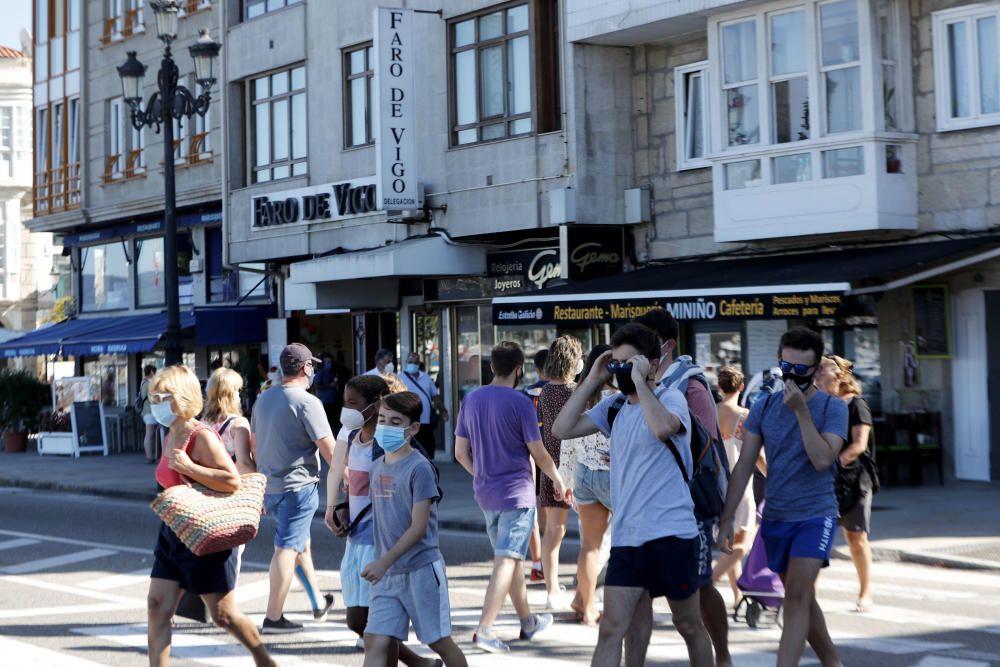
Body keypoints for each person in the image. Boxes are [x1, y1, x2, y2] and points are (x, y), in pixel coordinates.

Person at [552, 323, 713, 667]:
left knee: (688, 624)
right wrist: (593, 380)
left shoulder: (671, 399)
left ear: (652, 364)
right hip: (627, 537)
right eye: (618, 364)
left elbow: (662, 428)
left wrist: (642, 381)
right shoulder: (615, 408)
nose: (622, 371)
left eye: (630, 363)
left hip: (671, 534)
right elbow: (561, 429)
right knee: (615, 629)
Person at [717, 327, 848, 667]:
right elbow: (744, 465)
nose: (790, 375)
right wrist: (727, 516)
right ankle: (833, 663)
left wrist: (802, 413)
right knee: (799, 598)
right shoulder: (763, 407)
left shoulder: (834, 409)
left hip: (815, 514)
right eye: (784, 367)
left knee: (797, 598)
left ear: (816, 369)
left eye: (800, 370)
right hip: (776, 515)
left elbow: (822, 459)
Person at [145, 365, 276, 667]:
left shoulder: (200, 435)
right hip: (174, 530)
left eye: (162, 397)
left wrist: (190, 468)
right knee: (156, 606)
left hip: (205, 535)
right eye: (153, 398)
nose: (156, 404)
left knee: (223, 615)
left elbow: (231, 480)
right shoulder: (170, 432)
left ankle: (263, 659)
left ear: (182, 397)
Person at [635, 308, 731, 667]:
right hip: (646, 506)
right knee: (638, 598)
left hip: (689, 508)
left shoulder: (690, 388)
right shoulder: (638, 386)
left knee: (698, 593)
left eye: (645, 343)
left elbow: (703, 452)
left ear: (667, 345)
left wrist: (728, 515)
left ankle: (722, 656)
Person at [454, 341, 564, 653]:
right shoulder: (519, 403)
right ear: (519, 369)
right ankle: (485, 629)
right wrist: (558, 480)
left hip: (486, 493)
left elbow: (460, 453)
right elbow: (539, 452)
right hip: (517, 492)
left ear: (491, 367)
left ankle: (527, 622)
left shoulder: (471, 400)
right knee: (507, 559)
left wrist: (481, 473)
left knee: (512, 557)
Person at [324, 376, 437, 666]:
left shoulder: (393, 443)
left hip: (383, 543)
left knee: (379, 628)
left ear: (375, 406)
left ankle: (418, 662)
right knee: (358, 620)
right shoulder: (351, 435)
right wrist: (339, 507)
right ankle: (418, 662)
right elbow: (350, 479)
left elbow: (417, 487)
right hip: (357, 540)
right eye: (345, 402)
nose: (347, 409)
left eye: (354, 404)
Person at [361, 391, 468, 667]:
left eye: (395, 422)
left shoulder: (420, 468)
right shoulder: (376, 467)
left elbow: (419, 527)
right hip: (387, 575)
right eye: (382, 419)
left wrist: (384, 561)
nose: (385, 427)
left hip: (420, 570)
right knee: (375, 641)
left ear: (414, 428)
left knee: (438, 641)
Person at [252, 343, 336, 633]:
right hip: (298, 487)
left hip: (270, 486)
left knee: (301, 544)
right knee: (287, 548)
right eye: (311, 365)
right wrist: (351, 477)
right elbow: (329, 450)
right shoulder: (307, 402)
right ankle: (273, 617)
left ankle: (317, 602)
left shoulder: (263, 399)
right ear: (305, 368)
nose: (313, 370)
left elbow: (254, 444)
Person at [815, 354, 877, 613]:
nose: (816, 375)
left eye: (822, 371)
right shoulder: (822, 405)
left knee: (856, 538)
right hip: (826, 480)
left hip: (854, 480)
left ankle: (865, 592)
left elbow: (859, 445)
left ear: (839, 375)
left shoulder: (856, 405)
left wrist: (831, 462)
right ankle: (810, 594)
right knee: (817, 538)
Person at [560, 344, 614, 626]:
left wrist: (565, 479)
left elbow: (566, 441)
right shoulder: (618, 398)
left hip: (583, 474)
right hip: (613, 476)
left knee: (589, 546)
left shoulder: (580, 396)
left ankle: (585, 604)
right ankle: (590, 604)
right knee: (623, 543)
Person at [536, 335, 583, 609]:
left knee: (554, 530)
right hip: (575, 464)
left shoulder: (545, 391)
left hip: (550, 464)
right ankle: (583, 584)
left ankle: (552, 589)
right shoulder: (576, 391)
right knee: (589, 531)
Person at [711, 366, 758, 608]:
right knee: (744, 544)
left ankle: (738, 596)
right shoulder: (746, 416)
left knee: (730, 544)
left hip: (718, 487)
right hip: (742, 487)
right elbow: (757, 455)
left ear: (719, 387)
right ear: (741, 387)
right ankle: (709, 581)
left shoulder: (709, 413)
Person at [524, 348, 549, 583]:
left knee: (533, 509)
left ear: (535, 368)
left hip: (529, 456)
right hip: (554, 458)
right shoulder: (561, 392)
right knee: (552, 516)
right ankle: (549, 564)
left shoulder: (525, 394)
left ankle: (537, 562)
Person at [400, 351, 449, 460]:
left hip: (426, 422)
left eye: (415, 362)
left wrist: (443, 410)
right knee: (410, 451)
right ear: (406, 362)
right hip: (409, 422)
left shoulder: (426, 378)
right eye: (410, 362)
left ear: (419, 364)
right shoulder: (400, 378)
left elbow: (435, 396)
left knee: (427, 450)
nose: (412, 364)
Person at [315, 352, 343, 431]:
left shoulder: (334, 372)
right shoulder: (321, 372)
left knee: (334, 424)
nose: (329, 364)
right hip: (324, 401)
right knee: (327, 424)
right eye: (327, 362)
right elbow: (317, 386)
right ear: (323, 363)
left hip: (334, 401)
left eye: (330, 362)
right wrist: (330, 386)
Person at [140, 364, 158, 464]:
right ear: (151, 372)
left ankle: (150, 455)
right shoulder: (148, 383)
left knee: (150, 434)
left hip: (146, 411)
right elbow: (152, 398)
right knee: (149, 434)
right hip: (149, 411)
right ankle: (149, 456)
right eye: (154, 372)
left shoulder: (143, 382)